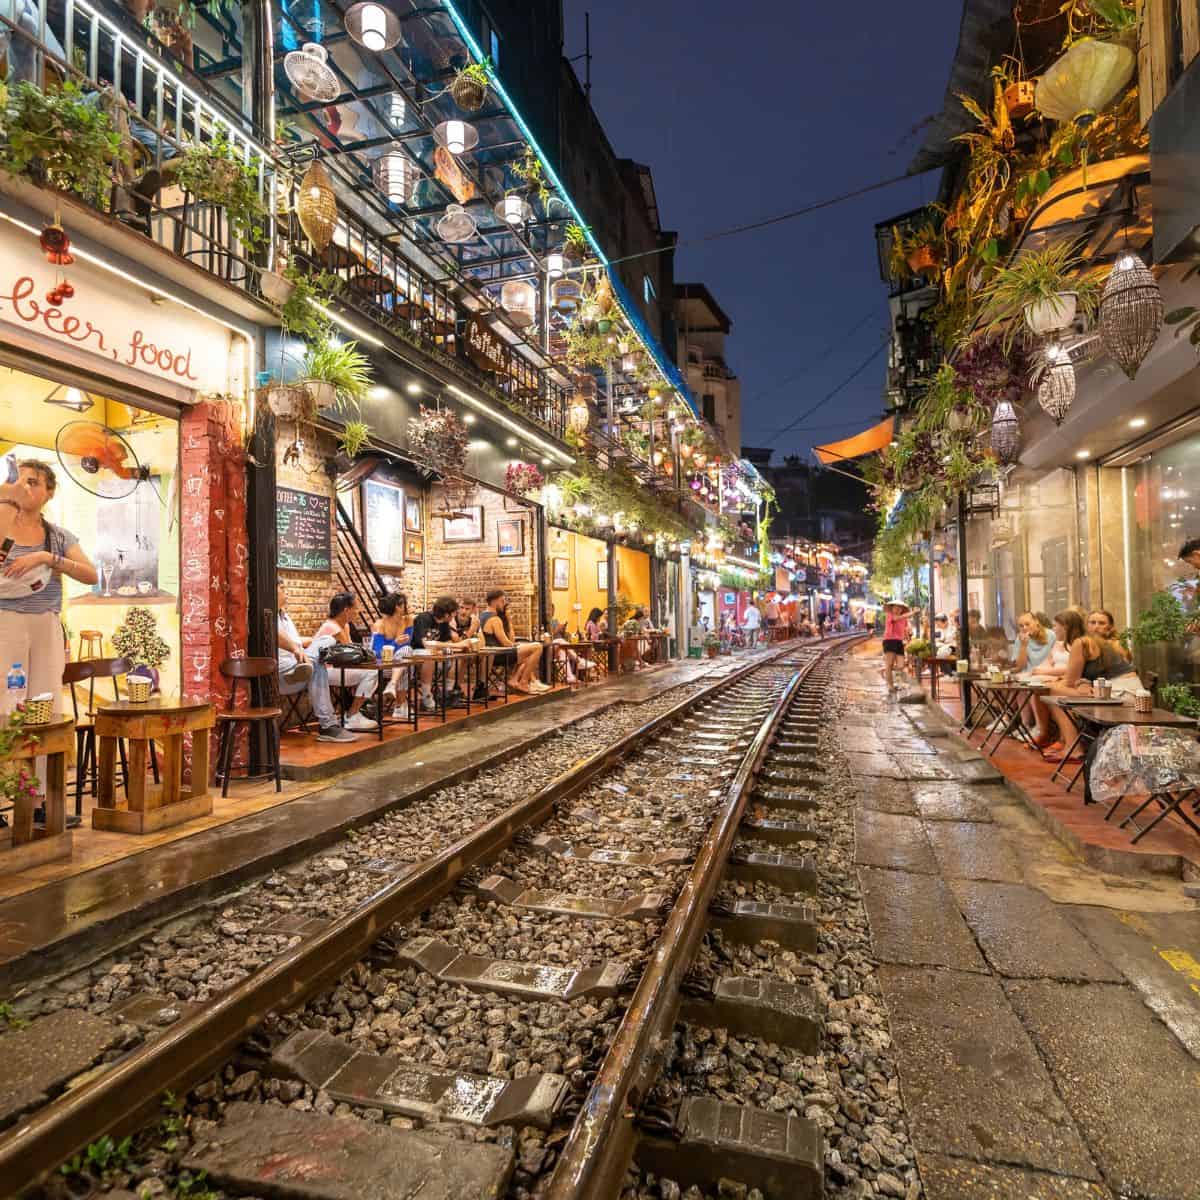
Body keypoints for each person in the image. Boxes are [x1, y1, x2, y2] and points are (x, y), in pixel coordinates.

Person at [0, 460, 98, 724]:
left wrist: (47, 558)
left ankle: (45, 765)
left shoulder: (58, 536)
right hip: (6, 622)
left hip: (46, 623)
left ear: (49, 492)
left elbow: (91, 575)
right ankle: (9, 765)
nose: (24, 487)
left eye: (32, 482)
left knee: (45, 701)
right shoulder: (2, 524)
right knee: (6, 700)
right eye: (19, 481)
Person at [1034, 609, 1140, 760]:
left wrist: (1074, 683)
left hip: (1115, 697)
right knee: (1059, 692)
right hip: (1132, 696)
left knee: (1052, 690)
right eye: (1092, 622)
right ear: (1086, 625)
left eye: (1101, 623)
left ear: (1110, 627)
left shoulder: (1083, 642)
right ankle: (1064, 741)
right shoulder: (1117, 643)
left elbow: (1070, 682)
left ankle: (1071, 747)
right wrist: (1083, 683)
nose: (1096, 627)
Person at [276, 584, 357, 743]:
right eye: (282, 588)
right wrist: (297, 647)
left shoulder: (285, 617)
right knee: (320, 657)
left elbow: (295, 641)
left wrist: (311, 642)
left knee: (322, 649)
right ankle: (328, 726)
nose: (286, 592)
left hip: (299, 665)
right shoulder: (267, 614)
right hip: (281, 671)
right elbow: (277, 636)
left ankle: (304, 668)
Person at [313, 592, 379, 732]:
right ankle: (352, 716)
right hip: (324, 671)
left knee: (371, 673)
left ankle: (353, 713)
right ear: (346, 610)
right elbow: (352, 652)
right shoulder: (332, 627)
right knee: (372, 673)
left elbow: (352, 653)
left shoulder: (345, 626)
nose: (358, 611)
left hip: (338, 669)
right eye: (356, 607)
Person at [480, 588, 545, 693]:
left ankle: (516, 680)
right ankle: (524, 682)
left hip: (492, 654)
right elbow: (506, 643)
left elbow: (508, 641)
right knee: (537, 647)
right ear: (495, 601)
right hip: (498, 655)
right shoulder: (494, 619)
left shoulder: (482, 615)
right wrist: (516, 646)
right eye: (502, 601)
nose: (503, 604)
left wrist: (516, 643)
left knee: (528, 649)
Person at [411, 596, 461, 712]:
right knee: (430, 656)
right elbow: (426, 643)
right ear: (447, 614)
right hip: (417, 652)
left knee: (457, 657)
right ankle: (426, 697)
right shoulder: (423, 618)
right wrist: (453, 646)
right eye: (453, 614)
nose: (454, 616)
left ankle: (447, 693)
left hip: (437, 654)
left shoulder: (444, 623)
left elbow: (447, 641)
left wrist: (452, 647)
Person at [372, 592, 413, 718]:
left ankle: (393, 686)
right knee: (405, 661)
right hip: (383, 666)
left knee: (406, 654)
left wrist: (398, 646)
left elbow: (407, 642)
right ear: (398, 607)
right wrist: (395, 643)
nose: (407, 606)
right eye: (405, 604)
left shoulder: (408, 621)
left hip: (399, 664)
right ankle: (400, 706)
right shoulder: (380, 624)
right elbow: (378, 652)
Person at [881, 599, 913, 692]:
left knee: (901, 665)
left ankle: (884, 670)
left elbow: (905, 629)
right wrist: (912, 613)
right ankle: (890, 686)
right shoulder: (890, 615)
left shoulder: (904, 618)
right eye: (896, 607)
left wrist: (908, 638)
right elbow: (896, 619)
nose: (898, 609)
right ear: (892, 608)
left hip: (899, 642)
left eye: (900, 608)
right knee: (890, 664)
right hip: (889, 640)